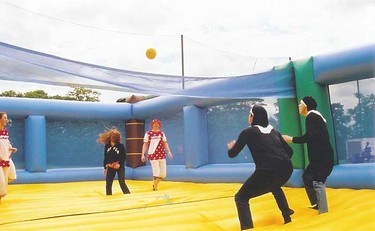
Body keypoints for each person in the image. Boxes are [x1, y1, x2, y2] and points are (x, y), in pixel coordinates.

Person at [227, 105, 294, 230]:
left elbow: (232, 154)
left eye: (249, 115)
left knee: (241, 198)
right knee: (274, 185)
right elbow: (290, 152)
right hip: (287, 169)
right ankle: (287, 215)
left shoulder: (248, 132)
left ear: (252, 117)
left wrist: (232, 147)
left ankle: (247, 228)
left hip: (268, 170)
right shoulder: (275, 131)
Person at [283, 96, 334, 214]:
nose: (298, 107)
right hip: (319, 158)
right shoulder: (314, 117)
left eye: (300, 104)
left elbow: (309, 137)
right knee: (307, 178)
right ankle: (318, 204)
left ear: (305, 106)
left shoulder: (312, 116)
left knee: (318, 182)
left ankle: (323, 211)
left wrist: (290, 139)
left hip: (322, 158)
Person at [141, 119, 173, 191]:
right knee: (156, 172)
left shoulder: (161, 133)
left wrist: (169, 151)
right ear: (152, 125)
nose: (156, 125)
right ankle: (155, 187)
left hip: (161, 154)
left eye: (157, 123)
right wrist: (143, 154)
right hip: (153, 155)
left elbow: (165, 142)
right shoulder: (148, 134)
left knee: (163, 174)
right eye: (154, 123)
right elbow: (145, 144)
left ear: (159, 125)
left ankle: (154, 184)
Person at [97, 127, 130, 195]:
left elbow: (123, 157)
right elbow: (106, 157)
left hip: (119, 166)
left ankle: (128, 195)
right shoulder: (107, 146)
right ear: (110, 137)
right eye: (113, 137)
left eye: (115, 137)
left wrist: (119, 164)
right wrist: (105, 167)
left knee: (122, 182)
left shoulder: (120, 146)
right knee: (108, 183)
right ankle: (108, 196)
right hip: (110, 166)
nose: (113, 138)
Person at [0, 112, 18, 203]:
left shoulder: (5, 131)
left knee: (11, 177)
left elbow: (5, 143)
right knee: (1, 182)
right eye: (4, 118)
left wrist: (11, 148)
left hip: (6, 159)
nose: (6, 120)